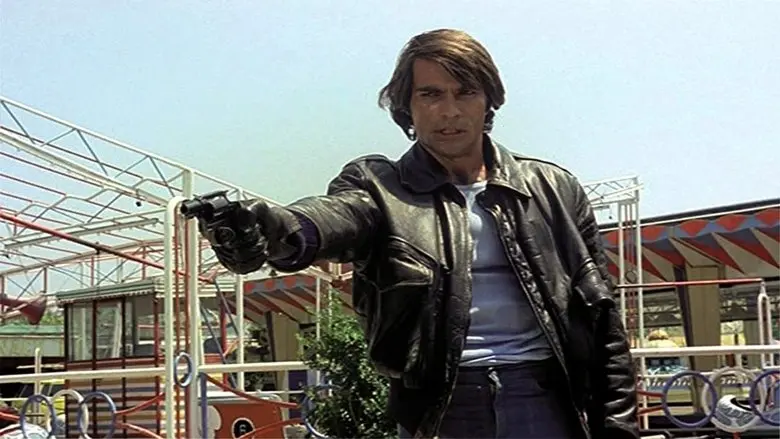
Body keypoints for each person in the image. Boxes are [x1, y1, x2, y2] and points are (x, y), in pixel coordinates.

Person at [200, 28, 639, 439]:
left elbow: (601, 317)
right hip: (442, 408)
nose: (449, 111)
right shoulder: (380, 188)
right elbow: (332, 219)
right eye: (430, 94)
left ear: (489, 100)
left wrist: (618, 425)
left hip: (546, 399)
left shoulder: (553, 188)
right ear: (406, 106)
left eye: (465, 92)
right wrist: (274, 229)